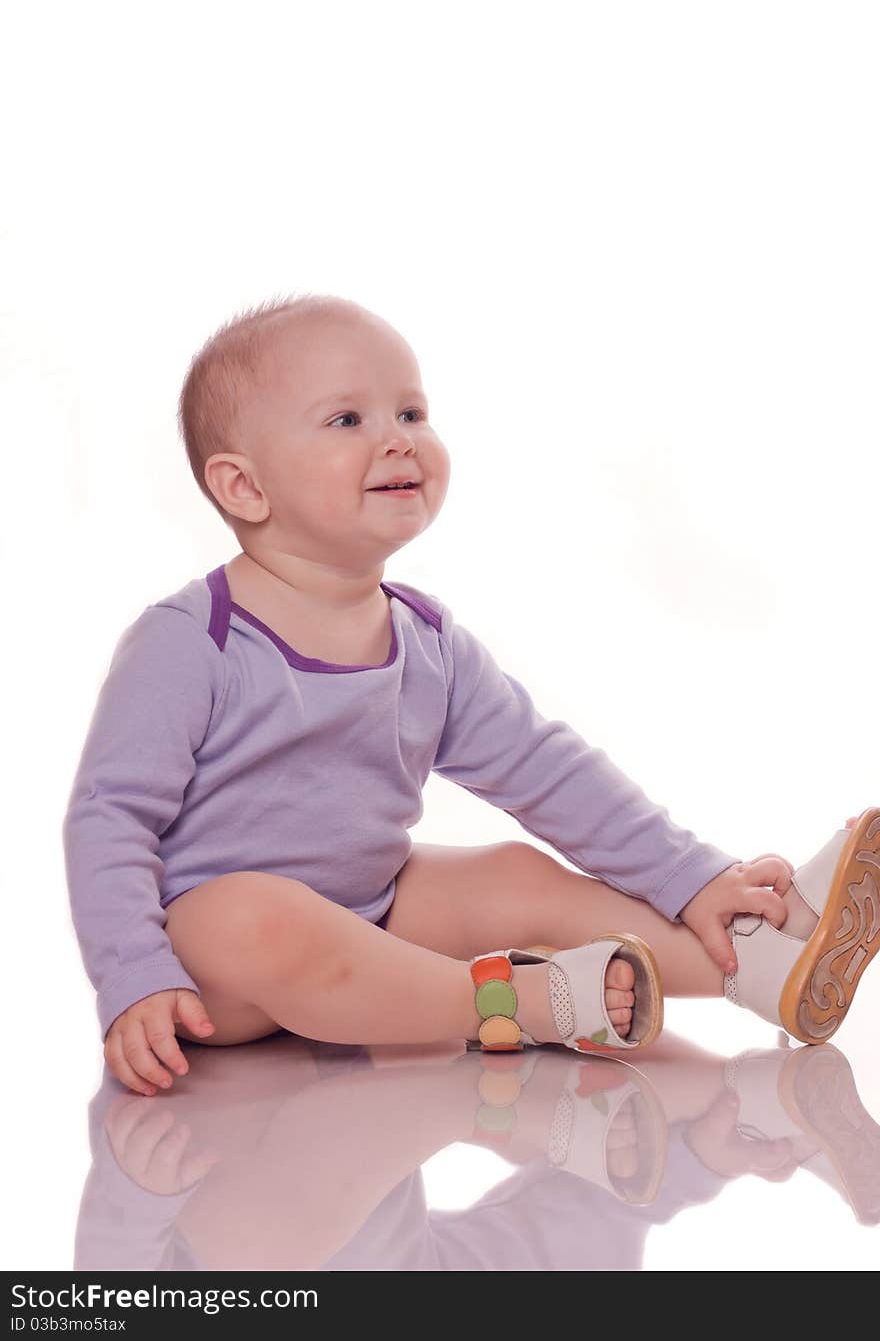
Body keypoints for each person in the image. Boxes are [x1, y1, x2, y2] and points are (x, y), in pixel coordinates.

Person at [62, 294, 880, 1097]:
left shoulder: (425, 641)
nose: (398, 441)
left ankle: (755, 964)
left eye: (412, 413)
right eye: (349, 421)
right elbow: (109, 815)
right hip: (217, 968)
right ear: (244, 488)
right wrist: (135, 976)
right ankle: (513, 1003)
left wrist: (694, 878)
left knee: (515, 876)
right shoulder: (191, 640)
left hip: (374, 918)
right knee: (252, 913)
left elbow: (546, 771)